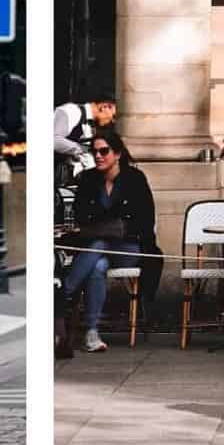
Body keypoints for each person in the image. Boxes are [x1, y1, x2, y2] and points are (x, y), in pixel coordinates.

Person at [61, 132, 157, 351]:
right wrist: (108, 227)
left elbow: (145, 220)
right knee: (98, 265)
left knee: (98, 244)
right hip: (98, 250)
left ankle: (65, 293)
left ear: (118, 154)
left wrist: (105, 228)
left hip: (130, 249)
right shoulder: (87, 179)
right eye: (94, 151)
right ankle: (92, 333)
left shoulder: (135, 179)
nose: (98, 156)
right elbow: (81, 215)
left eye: (104, 151)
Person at [54, 93, 118, 182]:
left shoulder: (90, 124)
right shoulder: (71, 111)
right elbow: (54, 140)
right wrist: (82, 149)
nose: (113, 121)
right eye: (114, 116)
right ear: (104, 107)